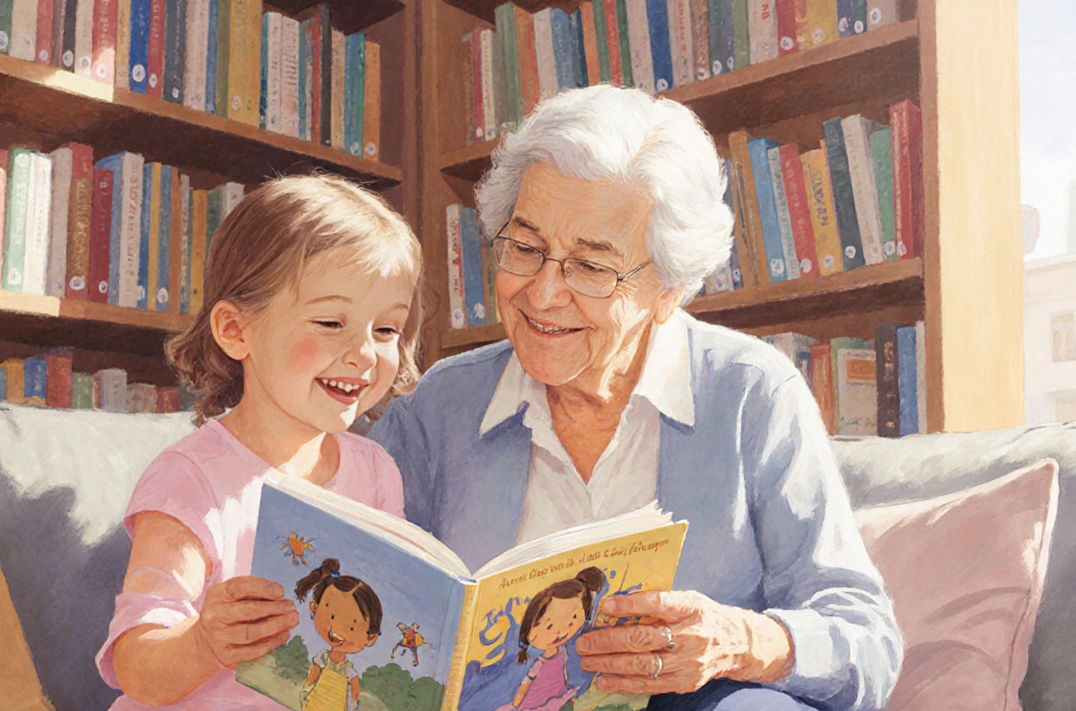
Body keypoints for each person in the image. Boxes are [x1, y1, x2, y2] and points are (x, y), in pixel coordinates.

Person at [369, 85, 902, 711]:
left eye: (591, 267)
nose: (542, 295)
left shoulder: (751, 394)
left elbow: (866, 639)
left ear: (668, 290)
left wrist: (739, 640)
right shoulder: (440, 406)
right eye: (525, 247)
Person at [96, 175, 423, 710]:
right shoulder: (192, 479)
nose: (364, 353)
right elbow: (137, 666)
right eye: (330, 321)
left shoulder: (376, 472)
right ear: (235, 330)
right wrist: (204, 642)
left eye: (386, 330)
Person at [501, 567, 604, 711]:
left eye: (573, 618)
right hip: (537, 703)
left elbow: (563, 670)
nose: (560, 631)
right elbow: (526, 683)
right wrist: (517, 704)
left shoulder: (562, 650)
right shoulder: (539, 663)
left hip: (558, 695)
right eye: (549, 626)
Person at [294, 559, 383, 711]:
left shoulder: (348, 669)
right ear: (314, 607)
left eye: (351, 627)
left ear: (371, 637)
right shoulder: (323, 659)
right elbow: (312, 677)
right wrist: (306, 692)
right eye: (332, 617)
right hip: (316, 703)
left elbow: (354, 690)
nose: (337, 632)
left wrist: (353, 706)